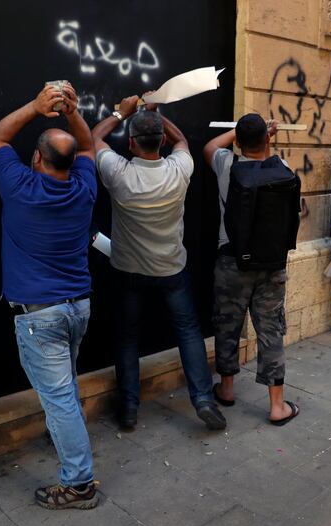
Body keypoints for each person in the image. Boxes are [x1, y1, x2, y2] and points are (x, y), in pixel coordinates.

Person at [0, 83, 100, 510]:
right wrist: (72, 113)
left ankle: (79, 484)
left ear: (36, 159)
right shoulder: (85, 187)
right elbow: (89, 145)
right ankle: (68, 443)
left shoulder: (19, 186)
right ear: (72, 163)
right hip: (76, 308)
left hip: (41, 317)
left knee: (61, 398)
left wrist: (36, 107)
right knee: (64, 389)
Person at [90, 94, 227, 431]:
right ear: (161, 141)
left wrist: (121, 114)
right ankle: (203, 400)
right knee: (188, 332)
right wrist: (156, 114)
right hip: (170, 269)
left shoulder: (118, 173)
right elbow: (181, 140)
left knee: (127, 338)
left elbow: (92, 139)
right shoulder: (179, 168)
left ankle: (130, 409)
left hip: (128, 271)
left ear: (132, 144)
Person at [203, 114, 300, 425]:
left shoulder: (227, 166)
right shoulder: (284, 169)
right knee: (271, 330)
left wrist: (235, 133)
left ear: (239, 142)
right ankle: (277, 405)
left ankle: (227, 389)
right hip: (272, 264)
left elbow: (209, 146)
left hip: (231, 261)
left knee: (227, 325)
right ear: (269, 139)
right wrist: (264, 134)